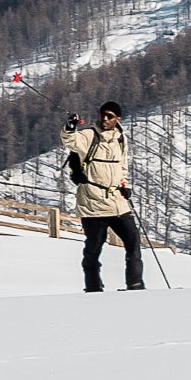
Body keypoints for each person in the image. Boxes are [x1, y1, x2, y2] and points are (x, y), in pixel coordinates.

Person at [63, 102, 145, 293]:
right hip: (93, 202)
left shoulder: (121, 139)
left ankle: (135, 285)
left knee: (133, 241)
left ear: (118, 119)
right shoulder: (89, 135)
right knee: (93, 249)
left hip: (116, 201)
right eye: (102, 115)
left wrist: (124, 185)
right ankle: (93, 289)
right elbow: (70, 140)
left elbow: (121, 166)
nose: (105, 119)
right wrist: (70, 126)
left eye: (109, 116)